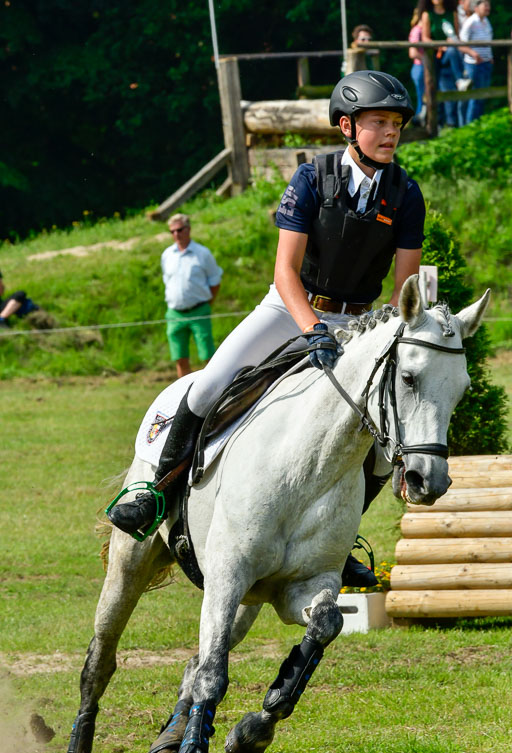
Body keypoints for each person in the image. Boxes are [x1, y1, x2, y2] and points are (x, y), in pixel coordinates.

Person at [108, 70, 426, 586]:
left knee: (378, 447)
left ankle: (339, 540)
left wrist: (387, 332)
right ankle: (156, 492)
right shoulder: (310, 179)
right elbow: (284, 270)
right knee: (210, 383)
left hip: (361, 319)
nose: (391, 132)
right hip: (289, 307)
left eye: (396, 124)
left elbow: (405, 281)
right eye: (379, 122)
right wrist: (312, 327)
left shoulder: (406, 194)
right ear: (347, 126)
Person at [162, 213, 223, 378]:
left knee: (208, 356)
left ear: (188, 229)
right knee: (179, 357)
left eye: (179, 230)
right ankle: (183, 395)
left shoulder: (202, 253)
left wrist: (208, 303)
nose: (176, 234)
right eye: (172, 231)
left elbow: (215, 281)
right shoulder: (167, 255)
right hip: (175, 313)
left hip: (199, 310)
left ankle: (213, 390)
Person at [419, 0, 473, 127]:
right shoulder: (427, 14)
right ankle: (433, 122)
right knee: (434, 88)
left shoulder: (451, 13)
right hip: (434, 56)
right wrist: (440, 45)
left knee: (448, 90)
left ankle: (451, 123)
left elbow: (456, 36)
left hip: (450, 56)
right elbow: (425, 37)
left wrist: (451, 42)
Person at [460, 0, 493, 124]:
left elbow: (487, 42)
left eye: (489, 5)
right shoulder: (471, 22)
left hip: (486, 63)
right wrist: (473, 53)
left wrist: (490, 57)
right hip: (473, 64)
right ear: (476, 7)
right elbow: (461, 43)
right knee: (474, 95)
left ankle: (478, 123)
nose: (488, 7)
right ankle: (470, 124)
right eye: (485, 5)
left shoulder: (486, 22)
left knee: (483, 95)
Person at [409, 8, 427, 126]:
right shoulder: (417, 30)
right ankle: (418, 121)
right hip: (419, 67)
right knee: (422, 96)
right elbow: (413, 53)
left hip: (422, 67)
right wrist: (427, 60)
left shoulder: (422, 30)